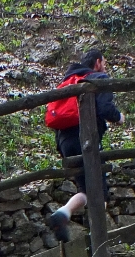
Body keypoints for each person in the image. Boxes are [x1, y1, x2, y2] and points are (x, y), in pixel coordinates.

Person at [45, 49, 123, 242]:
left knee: (86, 190)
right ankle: (99, 244)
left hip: (65, 143)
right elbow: (105, 108)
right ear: (97, 63)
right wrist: (119, 117)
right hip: (85, 140)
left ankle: (63, 214)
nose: (105, 66)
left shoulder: (66, 82)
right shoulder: (97, 78)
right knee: (99, 192)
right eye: (104, 62)